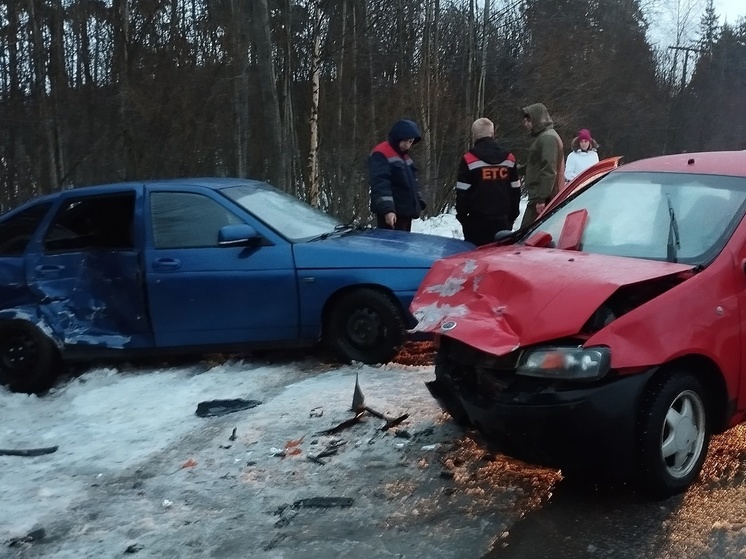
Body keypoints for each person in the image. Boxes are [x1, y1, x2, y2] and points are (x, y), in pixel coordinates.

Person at [455, 117, 521, 246]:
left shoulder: (469, 159)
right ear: (493, 133)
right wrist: (512, 217)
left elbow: (462, 193)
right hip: (503, 220)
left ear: (474, 135)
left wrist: (463, 218)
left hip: (476, 222)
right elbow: (516, 190)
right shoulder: (509, 158)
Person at [369, 119, 426, 232]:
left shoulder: (405, 158)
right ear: (397, 137)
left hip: (405, 213)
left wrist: (419, 201)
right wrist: (388, 210)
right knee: (391, 248)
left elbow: (412, 183)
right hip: (392, 216)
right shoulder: (381, 153)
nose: (407, 145)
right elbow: (380, 184)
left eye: (410, 142)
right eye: (405, 141)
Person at [520, 103, 565, 228]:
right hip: (541, 196)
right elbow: (534, 166)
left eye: (528, 120)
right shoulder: (543, 137)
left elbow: (549, 170)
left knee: (526, 235)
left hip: (544, 198)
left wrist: (541, 199)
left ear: (536, 119)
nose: (525, 124)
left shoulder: (547, 138)